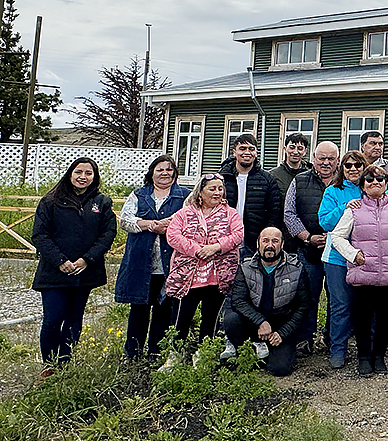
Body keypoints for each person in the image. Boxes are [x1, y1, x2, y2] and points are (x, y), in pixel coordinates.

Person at [32, 157, 117, 368]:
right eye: (79, 172)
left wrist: (87, 259)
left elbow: (108, 233)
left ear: (94, 177)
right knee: (52, 320)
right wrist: (60, 260)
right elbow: (40, 235)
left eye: (88, 173)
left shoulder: (102, 202)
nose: (83, 177)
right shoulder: (50, 201)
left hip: (84, 272)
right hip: (54, 272)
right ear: (70, 174)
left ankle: (65, 364)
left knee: (73, 320)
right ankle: (50, 367)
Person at [330, 164, 388, 376]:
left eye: (380, 179)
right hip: (363, 275)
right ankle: (364, 357)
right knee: (362, 319)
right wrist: (353, 254)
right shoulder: (354, 209)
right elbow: (337, 237)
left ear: (386, 184)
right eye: (369, 179)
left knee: (385, 319)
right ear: (363, 185)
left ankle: (379, 357)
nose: (374, 182)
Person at [162, 173, 244, 370]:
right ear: (200, 192)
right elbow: (172, 235)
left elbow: (238, 234)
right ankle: (175, 355)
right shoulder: (185, 213)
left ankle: (203, 355)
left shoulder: (230, 213)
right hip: (188, 276)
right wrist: (197, 250)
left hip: (218, 275)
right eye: (212, 188)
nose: (217, 192)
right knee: (182, 317)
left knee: (211, 317)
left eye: (220, 188)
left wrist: (216, 247)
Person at [115, 155, 190, 361]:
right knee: (139, 308)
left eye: (169, 169)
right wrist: (150, 224)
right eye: (160, 169)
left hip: (171, 263)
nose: (164, 173)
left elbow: (190, 218)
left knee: (164, 309)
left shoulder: (185, 195)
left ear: (175, 173)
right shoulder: (139, 194)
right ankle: (132, 353)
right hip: (141, 262)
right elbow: (125, 220)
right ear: (152, 173)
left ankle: (156, 353)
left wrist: (167, 224)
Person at [223, 227, 310, 376]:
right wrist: (260, 322)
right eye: (265, 241)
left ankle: (268, 352)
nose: (270, 245)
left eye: (275, 241)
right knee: (231, 319)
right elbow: (238, 301)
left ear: (282, 245)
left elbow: (303, 307)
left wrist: (282, 333)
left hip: (280, 326)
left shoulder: (297, 269)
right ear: (258, 243)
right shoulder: (245, 267)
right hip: (254, 324)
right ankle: (250, 349)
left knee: (280, 369)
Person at [282, 141, 340, 355]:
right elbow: (289, 214)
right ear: (314, 158)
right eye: (321, 158)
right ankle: (305, 339)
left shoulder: (346, 182)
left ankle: (332, 339)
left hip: (338, 251)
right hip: (309, 251)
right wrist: (307, 237)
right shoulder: (300, 180)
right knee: (307, 297)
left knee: (337, 298)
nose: (326, 163)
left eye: (330, 159)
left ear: (338, 160)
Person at [317, 150, 368, 369]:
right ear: (342, 168)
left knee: (363, 304)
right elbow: (325, 222)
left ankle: (366, 349)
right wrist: (344, 207)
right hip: (336, 258)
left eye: (358, 165)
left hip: (365, 257)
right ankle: (338, 349)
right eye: (348, 165)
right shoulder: (333, 191)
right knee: (340, 305)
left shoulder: (372, 187)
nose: (353, 169)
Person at [221, 133, 283, 255]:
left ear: (256, 152)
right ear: (234, 152)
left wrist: (264, 238)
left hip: (253, 241)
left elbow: (274, 212)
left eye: (251, 149)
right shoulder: (223, 178)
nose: (247, 152)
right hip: (225, 238)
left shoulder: (267, 180)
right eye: (242, 148)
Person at [270, 133, 311, 199]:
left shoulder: (311, 175)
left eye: (300, 148)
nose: (295, 152)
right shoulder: (273, 176)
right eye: (292, 147)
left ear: (305, 151)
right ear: (285, 149)